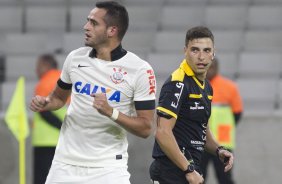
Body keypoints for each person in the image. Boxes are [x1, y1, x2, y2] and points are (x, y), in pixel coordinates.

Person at [29, 1, 156, 184]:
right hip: (65, 164)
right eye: (88, 21)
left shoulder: (140, 70)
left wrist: (111, 112)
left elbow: (146, 128)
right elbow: (58, 98)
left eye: (94, 23)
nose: (86, 27)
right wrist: (46, 102)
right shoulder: (75, 58)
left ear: (112, 30)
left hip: (108, 168)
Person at [149, 26, 234, 184]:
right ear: (185, 51)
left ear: (213, 54)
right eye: (195, 50)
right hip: (171, 172)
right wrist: (187, 169)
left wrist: (218, 149)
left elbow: (202, 129)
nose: (201, 56)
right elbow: (162, 132)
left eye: (207, 50)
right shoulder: (177, 83)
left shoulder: (206, 86)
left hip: (190, 169)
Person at [200, 58, 243, 184]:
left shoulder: (230, 87)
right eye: (207, 67)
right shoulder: (197, 86)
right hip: (201, 140)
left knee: (225, 178)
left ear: (217, 68)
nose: (209, 70)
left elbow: (237, 113)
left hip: (223, 141)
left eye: (211, 67)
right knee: (199, 176)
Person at [32, 54, 68, 184]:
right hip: (65, 141)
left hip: (45, 143)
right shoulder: (66, 80)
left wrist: (62, 126)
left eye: (38, 67)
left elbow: (44, 112)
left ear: (45, 66)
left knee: (42, 179)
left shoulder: (44, 82)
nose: (36, 70)